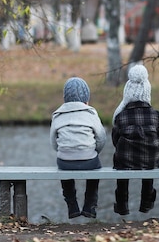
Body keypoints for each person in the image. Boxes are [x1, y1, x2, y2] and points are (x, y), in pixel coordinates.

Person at [111, 64, 159, 215]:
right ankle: (146, 203)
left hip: (124, 161)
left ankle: (122, 205)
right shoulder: (155, 115)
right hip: (150, 161)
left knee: (121, 161)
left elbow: (115, 140)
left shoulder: (121, 116)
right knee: (150, 156)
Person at [50, 77, 107, 219]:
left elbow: (53, 142)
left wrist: (64, 151)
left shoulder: (57, 115)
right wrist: (93, 152)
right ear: (86, 99)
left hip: (65, 160)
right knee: (96, 169)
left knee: (64, 170)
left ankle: (72, 205)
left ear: (65, 99)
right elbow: (101, 138)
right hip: (89, 159)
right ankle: (90, 205)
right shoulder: (91, 114)